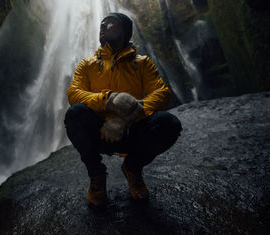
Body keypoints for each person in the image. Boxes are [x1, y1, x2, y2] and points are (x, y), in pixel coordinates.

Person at [64, 12, 182, 207]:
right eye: (102, 23)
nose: (103, 25)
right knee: (75, 113)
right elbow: (73, 93)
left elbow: (162, 93)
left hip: (132, 132)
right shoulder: (87, 65)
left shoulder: (142, 63)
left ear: (126, 31)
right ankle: (96, 175)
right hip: (101, 133)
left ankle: (133, 167)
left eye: (110, 23)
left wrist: (126, 117)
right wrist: (109, 100)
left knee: (169, 123)